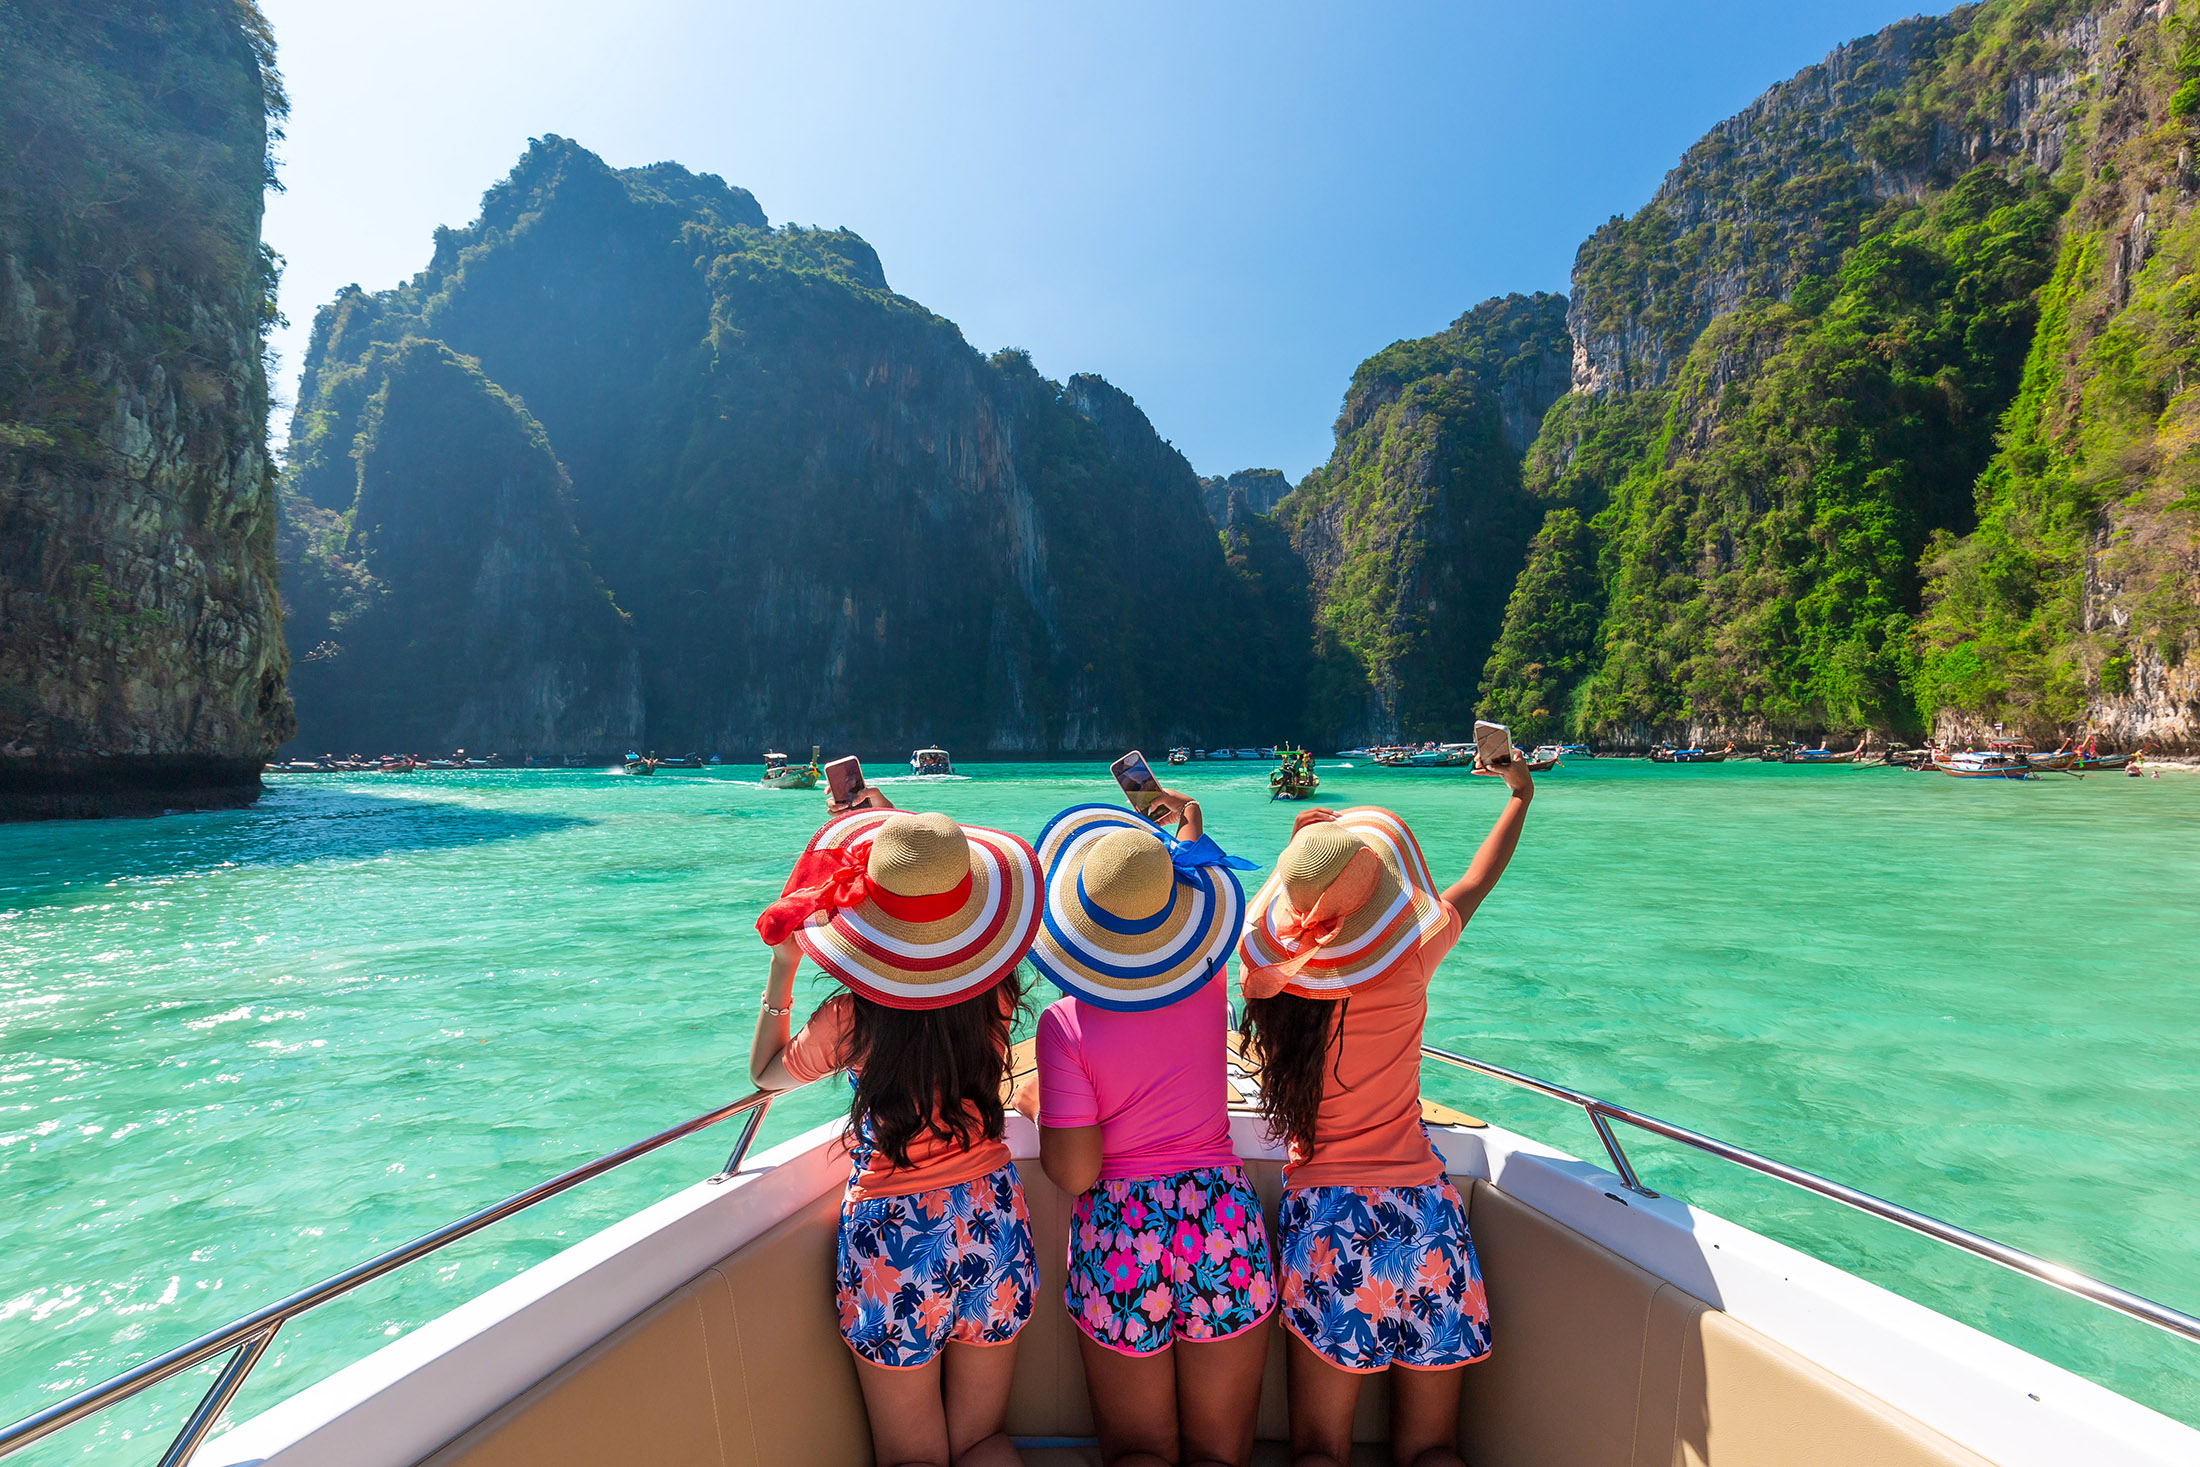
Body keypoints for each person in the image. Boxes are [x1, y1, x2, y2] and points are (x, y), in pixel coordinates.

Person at [1237, 753, 1534, 1467]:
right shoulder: (1411, 958)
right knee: (1433, 1449)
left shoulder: (1269, 987)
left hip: (1331, 1226)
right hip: (1426, 1219)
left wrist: (1298, 860)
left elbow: (1271, 925)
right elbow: (1473, 882)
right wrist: (1519, 796)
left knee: (1319, 1450)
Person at [750, 782, 1045, 1467]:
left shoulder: (853, 1019)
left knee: (914, 1455)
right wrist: (892, 832)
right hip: (990, 1214)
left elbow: (766, 1072)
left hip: (893, 1236)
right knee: (983, 1442)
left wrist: (783, 966)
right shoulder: (993, 993)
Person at [1015, 787, 1270, 1467]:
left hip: (1124, 1235)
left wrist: (1040, 1103)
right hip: (1221, 1223)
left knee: (1140, 1455)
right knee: (1219, 1456)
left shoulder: (1062, 1025)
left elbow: (1075, 1171)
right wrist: (1183, 818)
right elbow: (1200, 870)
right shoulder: (1206, 980)